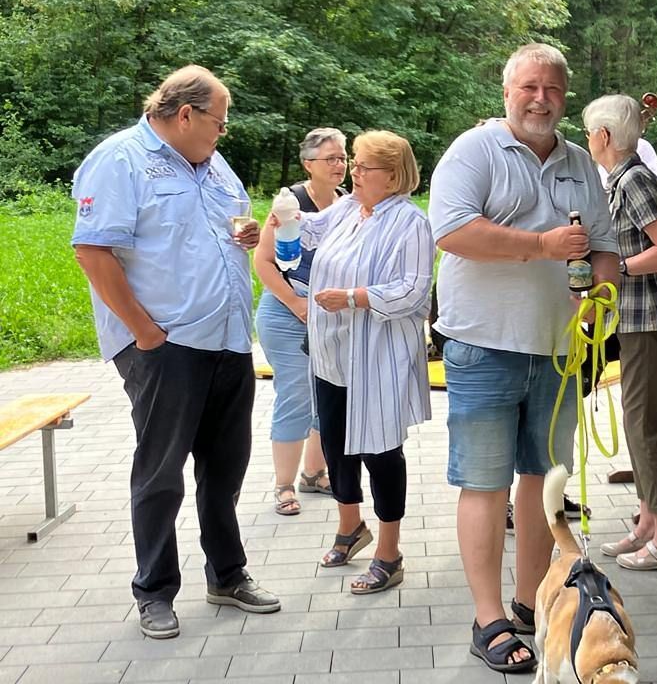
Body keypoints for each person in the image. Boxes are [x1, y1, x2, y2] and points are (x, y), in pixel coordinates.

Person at [71, 65, 280, 640]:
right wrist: (144, 333)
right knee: (162, 473)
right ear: (184, 115)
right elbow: (92, 251)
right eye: (220, 121)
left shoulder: (214, 166)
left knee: (225, 468)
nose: (223, 132)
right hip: (166, 344)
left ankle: (227, 575)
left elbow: (235, 226)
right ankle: (154, 591)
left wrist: (250, 234)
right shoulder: (120, 160)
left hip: (228, 339)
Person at [428, 43, 618, 673]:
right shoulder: (474, 151)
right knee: (484, 483)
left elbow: (606, 248)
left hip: (560, 353)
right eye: (529, 88)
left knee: (543, 485)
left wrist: (600, 299)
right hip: (482, 344)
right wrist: (541, 245)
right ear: (506, 92)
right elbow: (451, 230)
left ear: (566, 97)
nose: (541, 99)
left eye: (554, 90)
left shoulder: (579, 164)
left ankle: (531, 601)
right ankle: (488, 621)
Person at [298, 130, 433, 594]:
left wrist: (356, 297)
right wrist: (279, 222)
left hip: (376, 357)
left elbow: (415, 290)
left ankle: (389, 553)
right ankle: (350, 526)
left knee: (379, 451)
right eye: (352, 163)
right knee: (335, 444)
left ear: (392, 177)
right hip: (333, 353)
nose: (351, 172)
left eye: (362, 166)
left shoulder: (410, 222)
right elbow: (308, 231)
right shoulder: (349, 210)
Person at [583, 94, 657, 571]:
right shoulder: (622, 179)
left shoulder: (635, 180)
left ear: (603, 136)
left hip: (650, 319)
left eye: (589, 133)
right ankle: (647, 524)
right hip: (635, 319)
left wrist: (617, 270)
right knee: (637, 422)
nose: (588, 141)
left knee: (647, 427)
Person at [253, 128, 346, 515]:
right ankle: (284, 486)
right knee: (296, 394)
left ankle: (314, 473)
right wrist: (296, 302)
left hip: (328, 314)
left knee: (327, 393)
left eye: (343, 158)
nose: (340, 165)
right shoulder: (290, 202)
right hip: (285, 312)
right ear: (309, 164)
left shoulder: (346, 202)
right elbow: (263, 261)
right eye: (331, 159)